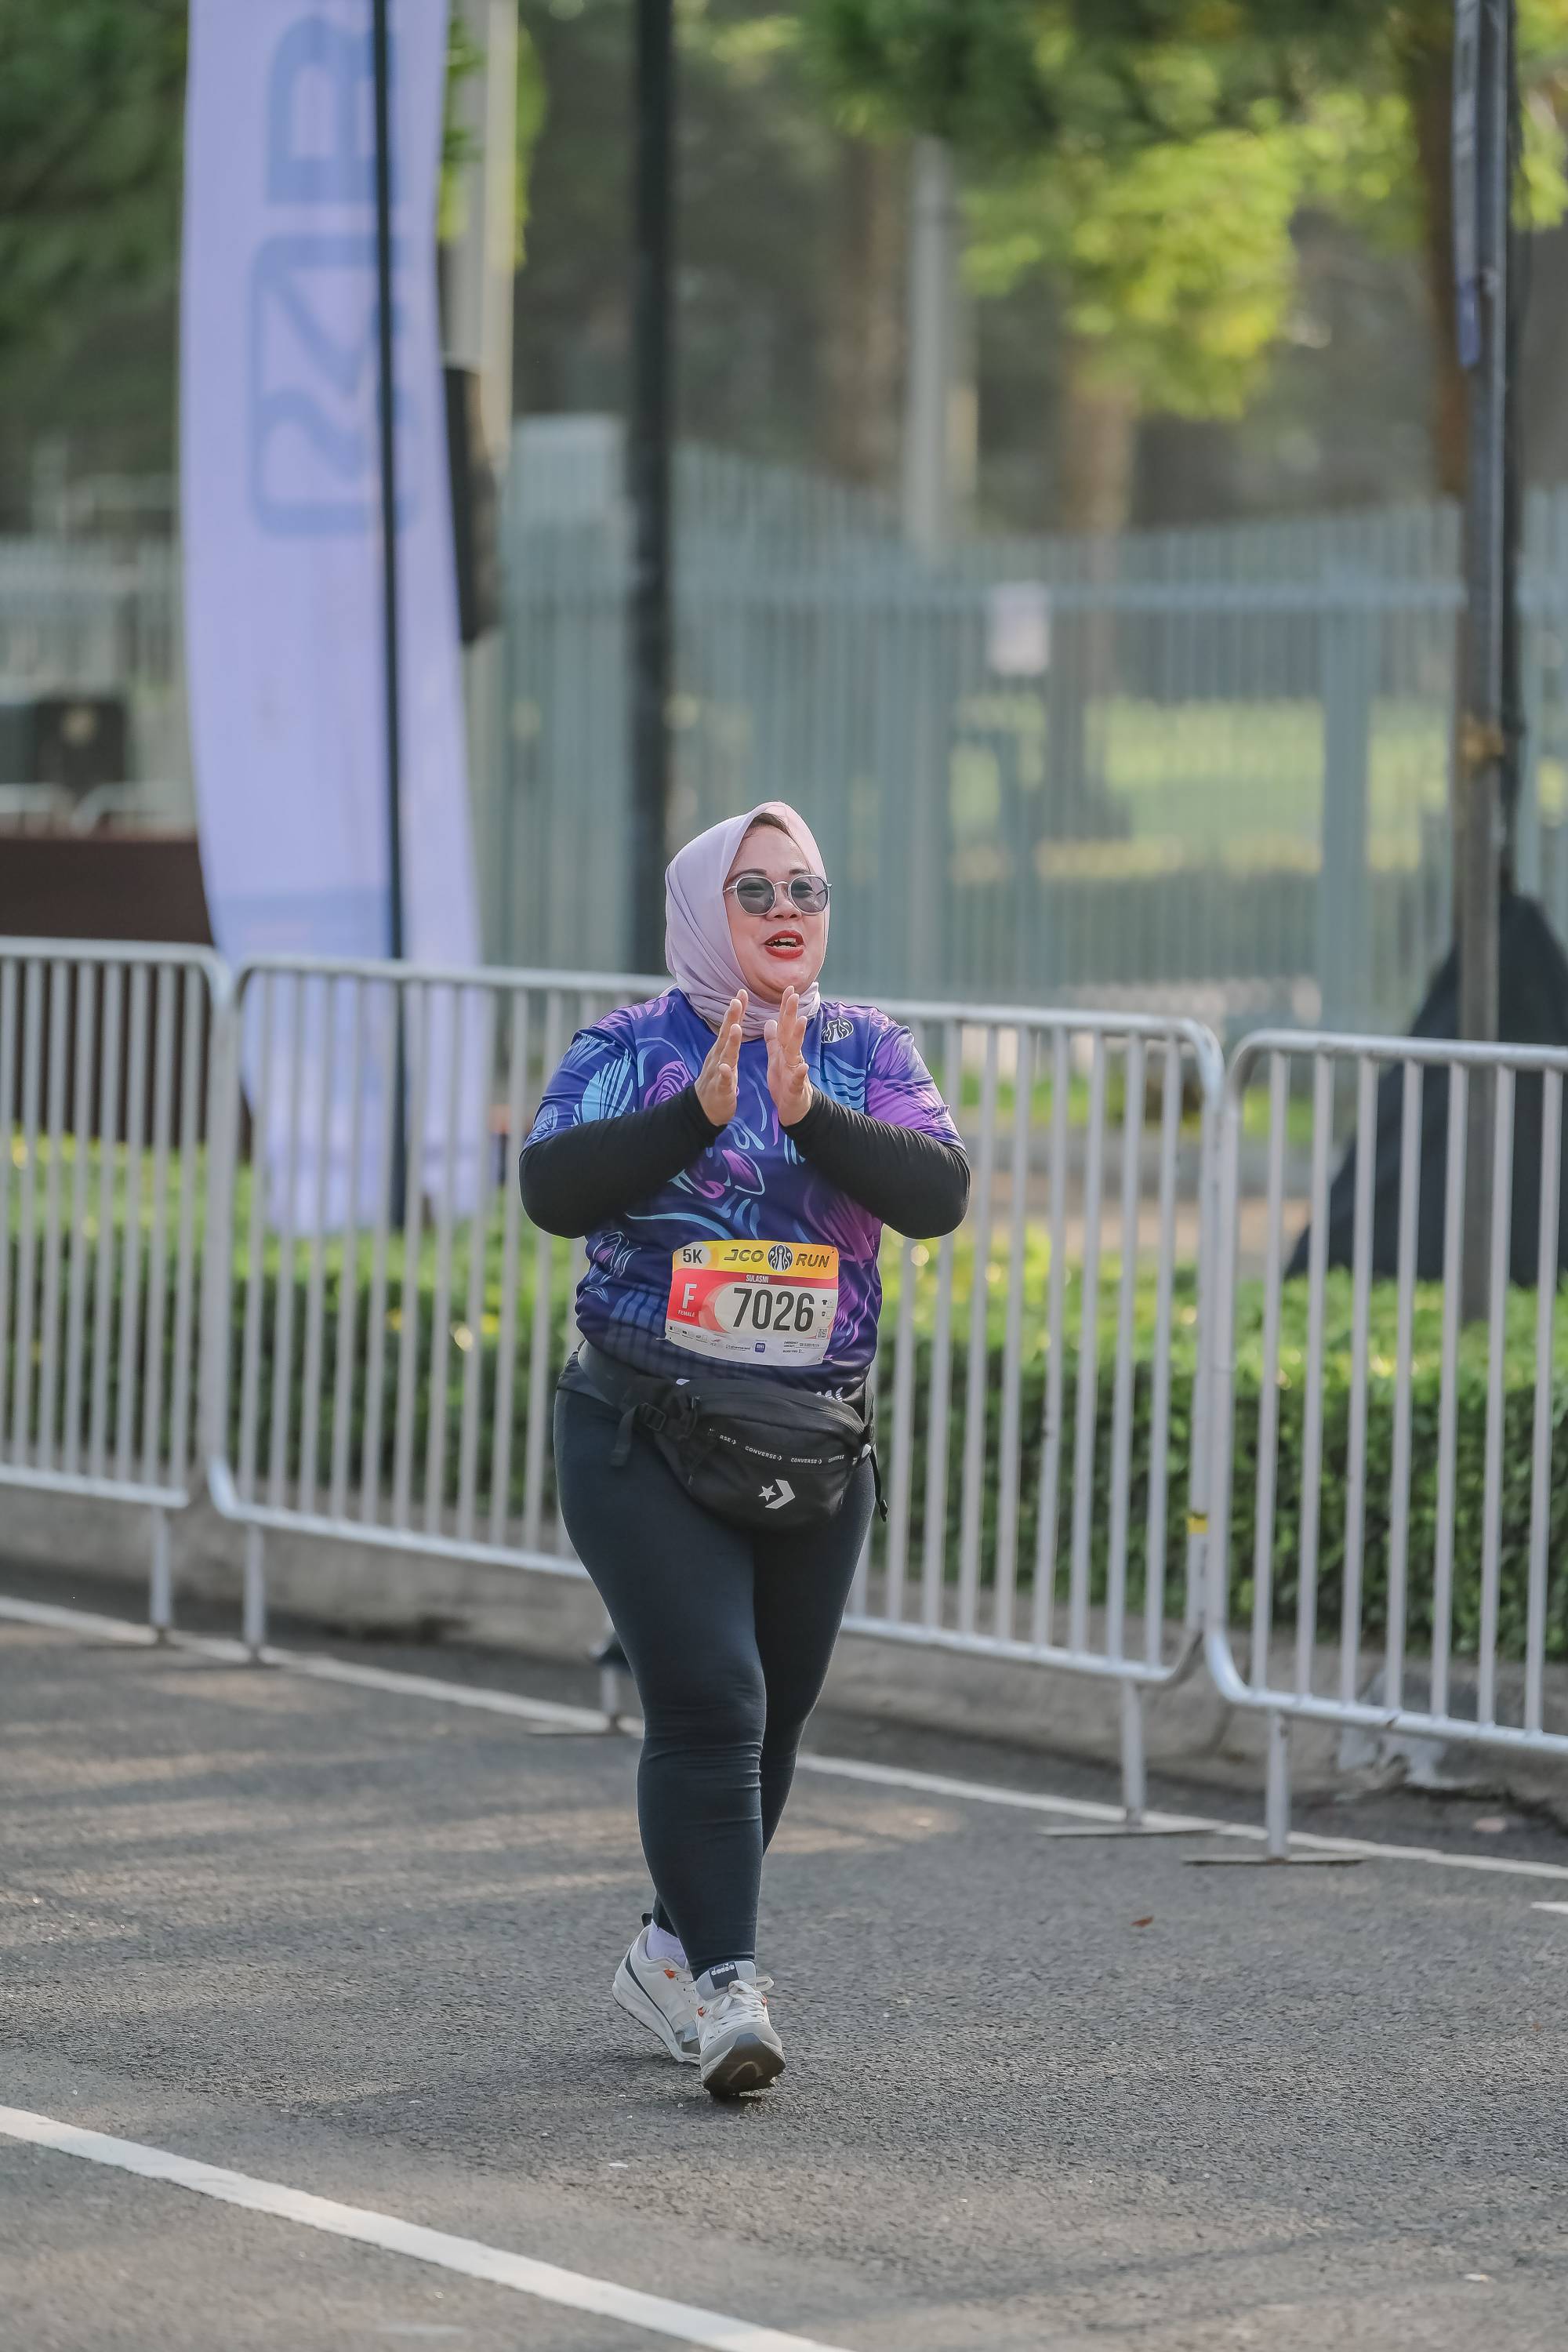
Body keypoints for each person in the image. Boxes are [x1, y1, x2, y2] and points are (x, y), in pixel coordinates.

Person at [520, 801, 968, 2096]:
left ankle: (670, 1948)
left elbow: (937, 1196)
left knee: (770, 1723)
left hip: (815, 1441)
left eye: (806, 890)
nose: (785, 912)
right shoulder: (629, 1047)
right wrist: (696, 1114)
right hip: (641, 1431)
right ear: (704, 909)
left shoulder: (867, 1048)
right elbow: (550, 1191)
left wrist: (807, 1110)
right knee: (714, 1699)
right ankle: (727, 1990)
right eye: (755, 890)